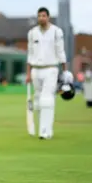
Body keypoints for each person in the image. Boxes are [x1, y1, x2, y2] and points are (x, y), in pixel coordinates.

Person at [25, 7, 70, 140]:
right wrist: (28, 73)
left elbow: (60, 51)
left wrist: (65, 70)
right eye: (39, 16)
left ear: (48, 17)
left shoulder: (56, 32)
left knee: (47, 99)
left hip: (51, 68)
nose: (41, 18)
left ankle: (45, 131)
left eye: (43, 16)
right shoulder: (32, 33)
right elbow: (30, 54)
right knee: (38, 100)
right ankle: (43, 129)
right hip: (36, 69)